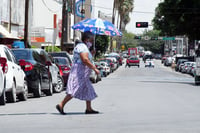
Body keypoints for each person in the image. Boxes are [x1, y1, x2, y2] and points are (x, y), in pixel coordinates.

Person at [56, 31, 100, 115]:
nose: (91, 42)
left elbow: (86, 57)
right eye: (91, 40)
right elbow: (85, 59)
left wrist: (91, 53)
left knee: (88, 89)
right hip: (79, 72)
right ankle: (61, 104)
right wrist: (94, 68)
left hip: (82, 73)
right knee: (75, 89)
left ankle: (89, 108)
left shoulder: (82, 47)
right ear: (87, 39)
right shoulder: (82, 47)